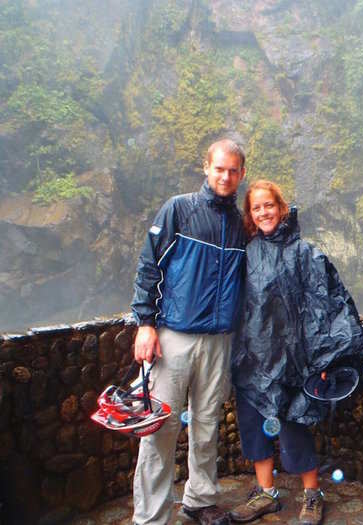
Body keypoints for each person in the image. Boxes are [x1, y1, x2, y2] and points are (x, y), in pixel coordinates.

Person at [229, 180, 363, 525]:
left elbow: (327, 306)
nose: (263, 212)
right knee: (254, 425)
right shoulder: (246, 254)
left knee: (295, 424)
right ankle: (265, 493)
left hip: (295, 359)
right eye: (256, 208)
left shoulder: (305, 253)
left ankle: (312, 495)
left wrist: (326, 359)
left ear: (281, 207)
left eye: (268, 205)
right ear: (250, 215)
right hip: (254, 358)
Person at [130, 139, 247, 525]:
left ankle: (200, 499)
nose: (225, 176)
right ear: (206, 167)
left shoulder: (239, 224)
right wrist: (146, 324)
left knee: (206, 425)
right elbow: (149, 267)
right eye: (219, 168)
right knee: (159, 428)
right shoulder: (179, 209)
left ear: (241, 174)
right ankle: (151, 517)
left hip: (219, 340)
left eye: (233, 170)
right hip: (173, 337)